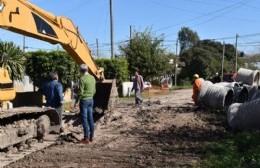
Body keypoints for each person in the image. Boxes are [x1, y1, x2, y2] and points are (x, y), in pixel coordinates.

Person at [74, 64, 96, 144]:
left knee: (84, 119)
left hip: (84, 100)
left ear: (81, 71)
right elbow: (94, 90)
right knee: (91, 118)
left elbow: (81, 92)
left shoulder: (82, 79)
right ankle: (91, 137)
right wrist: (90, 96)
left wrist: (76, 101)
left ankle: (86, 138)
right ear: (87, 70)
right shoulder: (92, 78)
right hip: (91, 99)